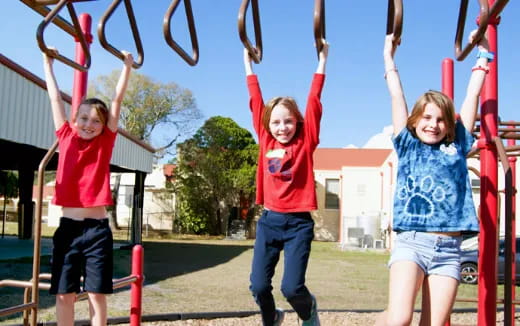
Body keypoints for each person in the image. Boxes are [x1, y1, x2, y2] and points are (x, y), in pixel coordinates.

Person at [376, 29, 491, 326]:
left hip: (450, 250)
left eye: (440, 119)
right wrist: (389, 57)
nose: (434, 124)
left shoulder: (457, 146)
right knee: (399, 318)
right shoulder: (407, 143)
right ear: (415, 121)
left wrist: (483, 54)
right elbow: (396, 94)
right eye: (426, 117)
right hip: (412, 243)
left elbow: (472, 95)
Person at [43, 49, 133, 326]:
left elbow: (117, 100)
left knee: (96, 293)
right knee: (63, 293)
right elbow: (55, 97)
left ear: (104, 125)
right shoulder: (66, 135)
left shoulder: (105, 142)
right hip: (68, 229)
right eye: (83, 118)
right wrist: (48, 63)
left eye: (96, 120)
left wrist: (126, 67)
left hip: (97, 231)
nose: (89, 124)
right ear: (74, 120)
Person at [243, 40, 328, 326]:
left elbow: (314, 102)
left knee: (290, 287)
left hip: (298, 225)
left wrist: (322, 62)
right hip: (269, 222)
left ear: (298, 122)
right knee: (257, 285)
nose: (282, 128)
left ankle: (309, 310)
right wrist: (248, 65)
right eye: (277, 123)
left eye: (288, 122)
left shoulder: (306, 142)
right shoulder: (265, 140)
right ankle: (272, 318)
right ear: (268, 126)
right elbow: (256, 101)